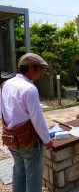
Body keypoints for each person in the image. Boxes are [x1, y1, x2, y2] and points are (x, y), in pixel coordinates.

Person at [0, 53, 53, 192]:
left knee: (18, 171)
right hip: (28, 140)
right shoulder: (29, 89)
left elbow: (3, 109)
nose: (41, 72)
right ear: (31, 68)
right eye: (40, 69)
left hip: (10, 137)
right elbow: (37, 119)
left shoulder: (6, 84)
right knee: (33, 176)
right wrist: (47, 140)